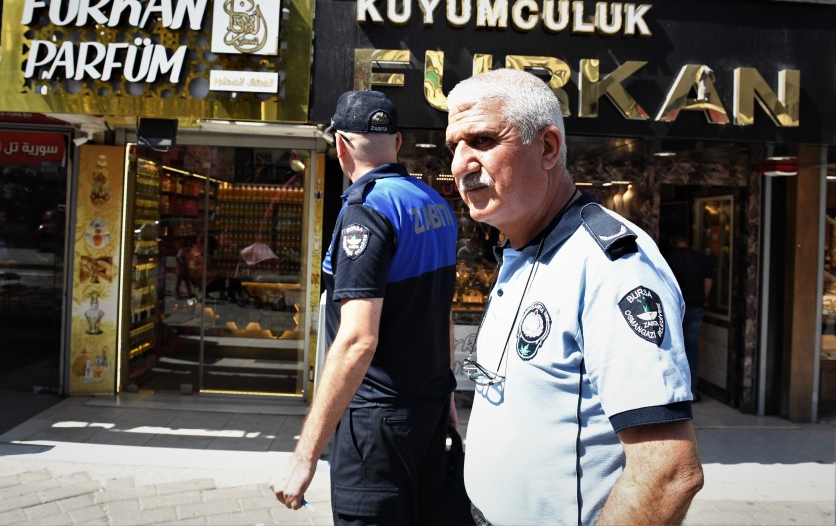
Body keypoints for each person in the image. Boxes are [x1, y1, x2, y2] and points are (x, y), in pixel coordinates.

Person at [445, 68, 703, 526]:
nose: (461, 164)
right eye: (454, 146)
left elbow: (667, 473)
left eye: (482, 140)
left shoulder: (612, 265)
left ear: (547, 147)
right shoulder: (519, 247)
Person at [269, 90, 459, 524]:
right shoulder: (435, 205)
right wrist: (445, 393)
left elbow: (357, 339)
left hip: (376, 423)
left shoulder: (367, 211)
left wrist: (305, 455)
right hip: (428, 412)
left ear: (340, 145)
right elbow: (441, 312)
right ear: (398, 142)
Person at [663, 234, 713, 402]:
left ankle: (672, 392)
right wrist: (702, 299)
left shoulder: (667, 256)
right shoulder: (699, 258)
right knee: (691, 349)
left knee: (669, 347)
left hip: (673, 308)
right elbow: (708, 283)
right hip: (695, 307)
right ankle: (691, 392)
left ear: (673, 241)